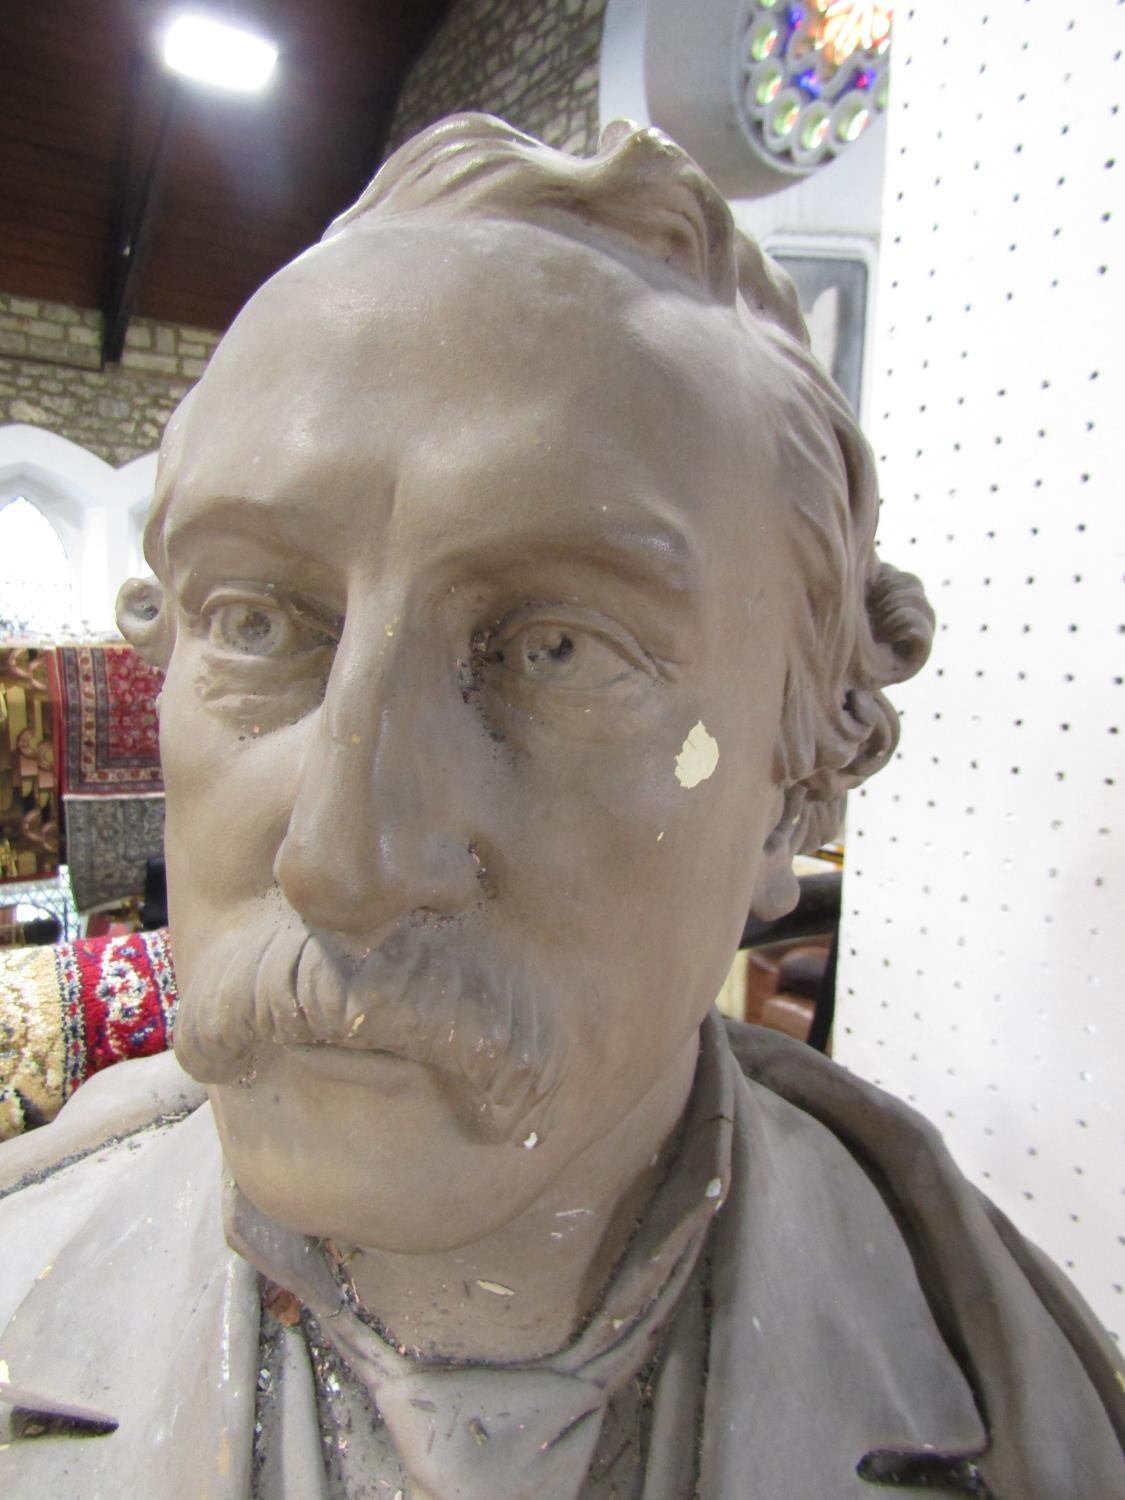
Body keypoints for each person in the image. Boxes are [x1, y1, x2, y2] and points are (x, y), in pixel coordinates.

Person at [1, 115, 1121, 1499]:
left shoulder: (1028, 1415)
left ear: (793, 785)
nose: (339, 855)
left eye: (560, 650)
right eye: (254, 620)